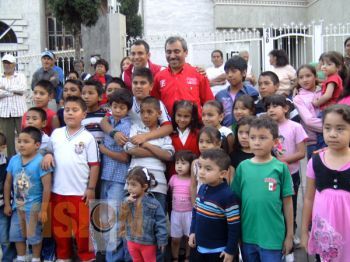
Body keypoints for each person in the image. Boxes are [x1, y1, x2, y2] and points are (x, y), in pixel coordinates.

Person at [42, 96, 100, 261]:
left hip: (79, 192)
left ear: (84, 114)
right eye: (67, 110)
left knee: (83, 230)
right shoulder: (56, 134)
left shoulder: (88, 138)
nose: (70, 113)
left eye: (75, 110)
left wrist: (90, 189)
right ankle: (63, 257)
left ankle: (88, 257)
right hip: (57, 190)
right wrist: (47, 154)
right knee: (60, 230)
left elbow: (94, 165)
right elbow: (49, 151)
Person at [231, 116, 294, 261]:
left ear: (275, 141)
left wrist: (289, 235)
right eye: (253, 137)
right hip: (248, 236)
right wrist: (237, 234)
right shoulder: (243, 167)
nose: (257, 142)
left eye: (263, 138)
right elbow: (236, 202)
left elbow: (288, 203)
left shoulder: (280, 168)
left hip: (273, 238)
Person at [301, 104, 350, 262]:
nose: (332, 134)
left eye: (340, 129)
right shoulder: (315, 161)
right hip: (325, 231)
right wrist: (303, 231)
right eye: (327, 128)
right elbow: (308, 198)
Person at [265, 95, 308, 252]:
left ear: (285, 108)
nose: (271, 109)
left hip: (291, 174)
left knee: (291, 202)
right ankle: (276, 234)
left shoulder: (295, 127)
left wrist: (282, 161)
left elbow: (302, 153)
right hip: (270, 175)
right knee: (273, 203)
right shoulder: (266, 127)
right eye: (268, 107)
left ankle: (291, 233)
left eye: (275, 106)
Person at [4, 127, 52, 262]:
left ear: (37, 145)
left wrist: (43, 209)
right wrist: (8, 204)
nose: (21, 145)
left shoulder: (41, 161)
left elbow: (47, 187)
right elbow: (8, 182)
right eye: (19, 141)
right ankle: (21, 257)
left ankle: (36, 258)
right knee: (16, 234)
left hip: (34, 208)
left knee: (34, 236)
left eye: (26, 141)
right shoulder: (14, 159)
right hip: (17, 207)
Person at [101, 68, 173, 150]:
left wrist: (144, 137)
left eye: (143, 83)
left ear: (151, 86)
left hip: (153, 146)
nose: (138, 86)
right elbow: (104, 121)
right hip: (130, 148)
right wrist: (114, 133)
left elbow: (168, 127)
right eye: (135, 83)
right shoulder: (126, 101)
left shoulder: (157, 103)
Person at [124, 96, 175, 212]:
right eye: (142, 112)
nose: (145, 116)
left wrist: (147, 145)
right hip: (134, 182)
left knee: (157, 220)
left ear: (159, 113)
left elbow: (169, 156)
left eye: (149, 112)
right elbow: (130, 149)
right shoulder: (135, 129)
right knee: (133, 219)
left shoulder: (164, 135)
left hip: (158, 184)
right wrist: (157, 152)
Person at [189, 148, 240, 262]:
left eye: (208, 169)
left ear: (222, 174)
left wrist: (230, 250)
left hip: (218, 252)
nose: (201, 171)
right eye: (200, 166)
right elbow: (195, 212)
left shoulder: (228, 196)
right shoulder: (202, 188)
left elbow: (234, 227)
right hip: (198, 248)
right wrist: (192, 232)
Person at [99, 88, 132, 261]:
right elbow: (104, 120)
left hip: (119, 179)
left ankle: (115, 258)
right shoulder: (109, 121)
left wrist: (103, 149)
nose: (118, 110)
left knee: (116, 220)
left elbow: (124, 157)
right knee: (105, 219)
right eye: (115, 106)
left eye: (122, 107)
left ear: (128, 109)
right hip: (105, 176)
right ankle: (109, 256)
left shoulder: (127, 127)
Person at [151, 36, 214, 117]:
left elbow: (209, 104)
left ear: (186, 52)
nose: (172, 56)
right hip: (168, 128)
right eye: (169, 52)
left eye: (176, 51)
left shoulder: (198, 74)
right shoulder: (159, 77)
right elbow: (155, 105)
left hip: (195, 128)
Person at [118, 167, 168, 262]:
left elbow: (161, 222)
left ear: (144, 187)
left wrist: (162, 239)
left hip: (148, 242)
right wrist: (126, 204)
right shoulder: (126, 201)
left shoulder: (154, 203)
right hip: (131, 241)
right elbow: (121, 216)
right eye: (128, 184)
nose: (129, 188)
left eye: (133, 185)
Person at [216, 56, 259, 127]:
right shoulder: (220, 95)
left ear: (244, 73)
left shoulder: (252, 93)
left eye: (233, 71)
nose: (229, 75)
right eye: (227, 72)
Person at [169, 150, 196, 262]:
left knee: (188, 238)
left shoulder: (192, 180)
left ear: (191, 165)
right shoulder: (173, 178)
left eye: (183, 163)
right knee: (175, 239)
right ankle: (175, 258)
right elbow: (171, 191)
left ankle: (187, 258)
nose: (179, 166)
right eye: (177, 163)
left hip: (189, 213)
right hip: (176, 213)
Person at [190, 126, 228, 204]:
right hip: (200, 203)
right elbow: (193, 186)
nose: (203, 145)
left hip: (217, 205)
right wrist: (194, 203)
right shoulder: (195, 163)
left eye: (208, 142)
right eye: (201, 141)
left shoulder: (224, 164)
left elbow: (227, 187)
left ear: (218, 144)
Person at [0, 54, 27, 158]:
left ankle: (25, 156)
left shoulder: (20, 76)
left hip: (19, 110)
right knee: (8, 139)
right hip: (4, 112)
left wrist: (4, 87)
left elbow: (22, 89)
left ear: (14, 64)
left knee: (24, 135)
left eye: (9, 63)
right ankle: (11, 159)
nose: (6, 65)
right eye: (5, 62)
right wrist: (12, 91)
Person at [293, 65, 323, 159]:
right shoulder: (298, 98)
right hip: (313, 142)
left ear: (315, 77)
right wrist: (329, 128)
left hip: (331, 139)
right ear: (298, 80)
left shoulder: (324, 92)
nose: (305, 80)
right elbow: (309, 121)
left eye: (308, 76)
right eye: (301, 77)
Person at [168, 100, 200, 178]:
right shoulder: (169, 134)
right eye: (179, 115)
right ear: (174, 115)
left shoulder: (198, 134)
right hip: (173, 177)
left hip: (194, 177)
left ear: (192, 117)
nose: (182, 119)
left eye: (186, 116)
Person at [0, 132, 16, 261]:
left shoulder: (8, 163)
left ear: (3, 147)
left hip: (3, 207)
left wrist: (7, 204)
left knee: (5, 237)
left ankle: (8, 259)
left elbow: (9, 185)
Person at [81, 79, 107, 144]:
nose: (86, 96)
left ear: (100, 97)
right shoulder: (79, 116)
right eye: (83, 93)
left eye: (90, 93)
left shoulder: (106, 115)